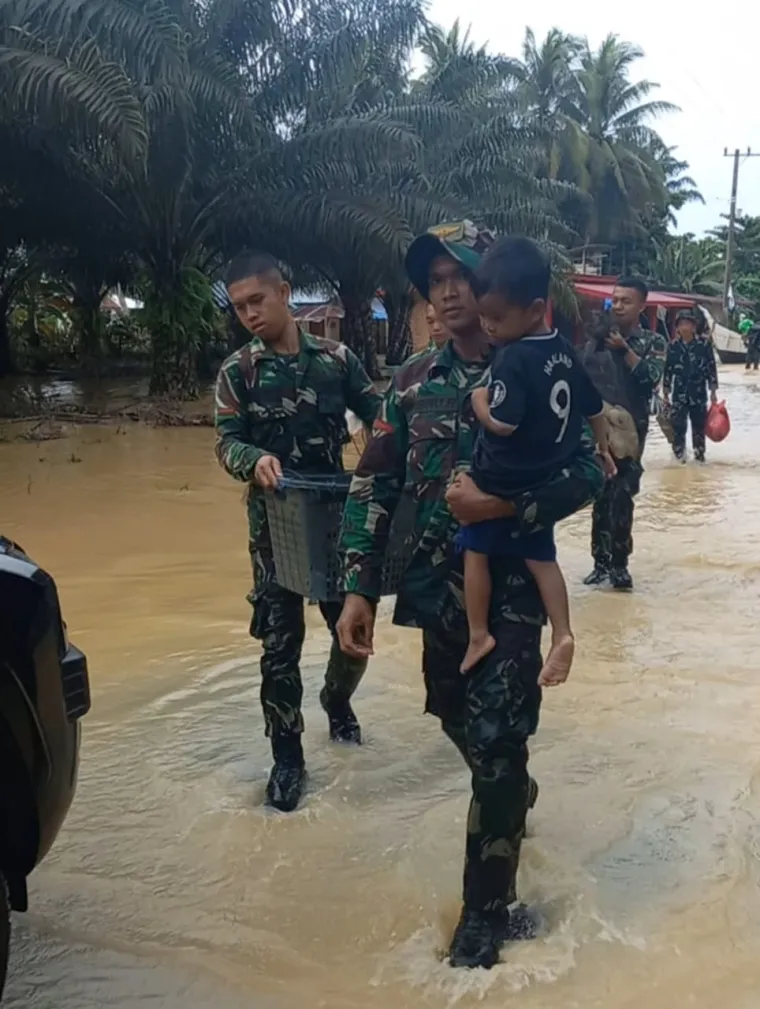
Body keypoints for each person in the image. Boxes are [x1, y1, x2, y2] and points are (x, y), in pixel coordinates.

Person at [336, 221, 604, 971]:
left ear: (495, 289)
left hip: (514, 591)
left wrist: (508, 509)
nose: (448, 289)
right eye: (435, 279)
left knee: (495, 744)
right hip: (437, 593)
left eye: (462, 274)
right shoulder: (413, 380)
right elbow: (373, 482)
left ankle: (486, 917)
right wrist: (359, 586)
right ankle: (512, 793)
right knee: (455, 719)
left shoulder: (540, 366)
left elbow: (592, 468)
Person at [214, 251, 381, 813]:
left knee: (352, 632)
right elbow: (225, 441)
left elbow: (381, 417)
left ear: (284, 292)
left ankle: (337, 703)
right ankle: (287, 758)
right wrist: (252, 458)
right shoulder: (238, 372)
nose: (249, 315)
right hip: (274, 530)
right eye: (239, 307)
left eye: (256, 301)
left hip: (334, 520)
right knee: (279, 646)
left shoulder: (336, 360)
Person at [458, 236, 616, 680]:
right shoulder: (564, 348)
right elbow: (595, 409)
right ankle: (563, 632)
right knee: (543, 559)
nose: (488, 326)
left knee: (474, 549)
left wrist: (478, 401)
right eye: (483, 315)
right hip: (545, 474)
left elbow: (503, 425)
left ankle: (477, 633)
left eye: (496, 317)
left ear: (534, 309)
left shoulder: (512, 358)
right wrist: (603, 449)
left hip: (501, 475)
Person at [583, 277, 667, 592]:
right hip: (597, 424)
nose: (618, 305)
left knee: (622, 494)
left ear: (641, 306)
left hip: (632, 430)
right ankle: (598, 563)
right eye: (615, 299)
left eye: (626, 301)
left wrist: (626, 351)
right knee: (600, 491)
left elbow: (651, 378)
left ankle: (619, 565)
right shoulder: (598, 338)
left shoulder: (652, 342)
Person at [663, 308, 718, 463]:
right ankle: (679, 459)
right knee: (678, 428)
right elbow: (667, 370)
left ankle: (699, 458)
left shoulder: (704, 345)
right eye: (682, 324)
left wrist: (713, 392)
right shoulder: (673, 346)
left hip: (699, 394)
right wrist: (665, 393)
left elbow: (711, 368)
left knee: (699, 429)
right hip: (679, 395)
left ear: (694, 326)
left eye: (688, 323)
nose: (685, 327)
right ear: (677, 328)